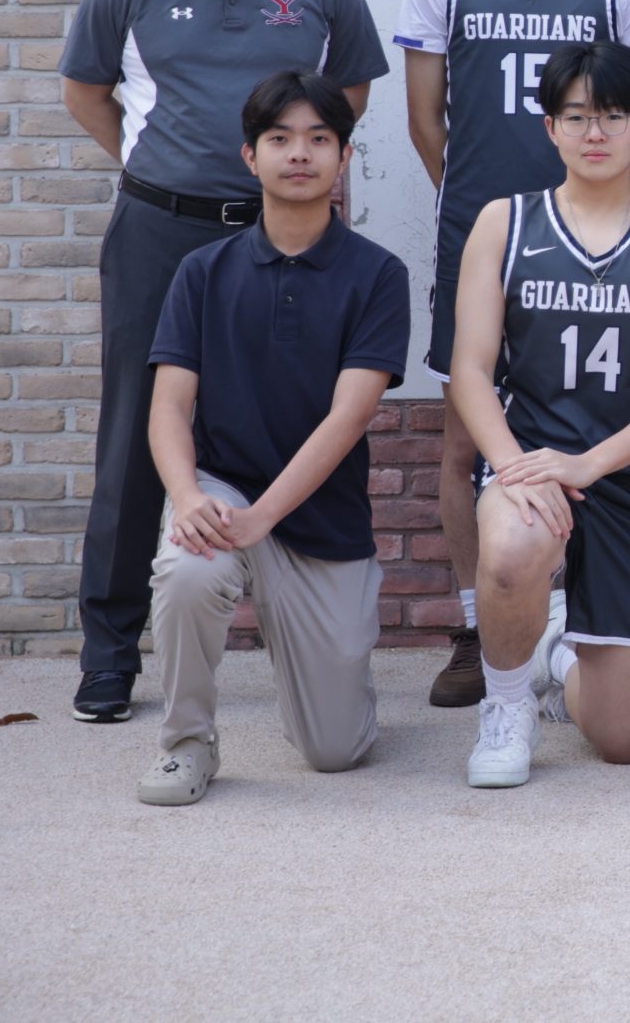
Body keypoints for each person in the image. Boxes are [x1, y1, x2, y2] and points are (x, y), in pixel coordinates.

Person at [60, 0, 389, 724]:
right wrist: (153, 165)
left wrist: (284, 180)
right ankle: (109, 653)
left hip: (285, 235)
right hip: (161, 231)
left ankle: (304, 625)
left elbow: (348, 94)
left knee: (299, 411)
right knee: (135, 431)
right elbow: (86, 89)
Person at [394, 0, 630, 709]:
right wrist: (490, 216)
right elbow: (426, 123)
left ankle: (577, 618)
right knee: (463, 434)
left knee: (592, 412)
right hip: (484, 233)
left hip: (590, 237)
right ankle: (479, 625)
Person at [445, 41, 630, 787]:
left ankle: (552, 649)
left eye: (613, 116)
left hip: (628, 478)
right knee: (512, 546)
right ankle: (507, 707)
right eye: (576, 116)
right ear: (550, 127)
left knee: (624, 739)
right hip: (531, 462)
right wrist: (513, 466)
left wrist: (588, 464)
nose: (594, 132)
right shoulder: (505, 223)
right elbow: (470, 371)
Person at [138, 70, 410, 805]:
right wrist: (187, 497)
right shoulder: (202, 272)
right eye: (280, 138)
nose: (299, 153)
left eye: (319, 138)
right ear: (250, 155)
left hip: (320, 517)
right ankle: (186, 745)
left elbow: (348, 417)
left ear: (344, 157)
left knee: (334, 751)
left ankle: (334, 681)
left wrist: (265, 517)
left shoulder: (378, 275)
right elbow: (169, 409)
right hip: (225, 491)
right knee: (188, 568)